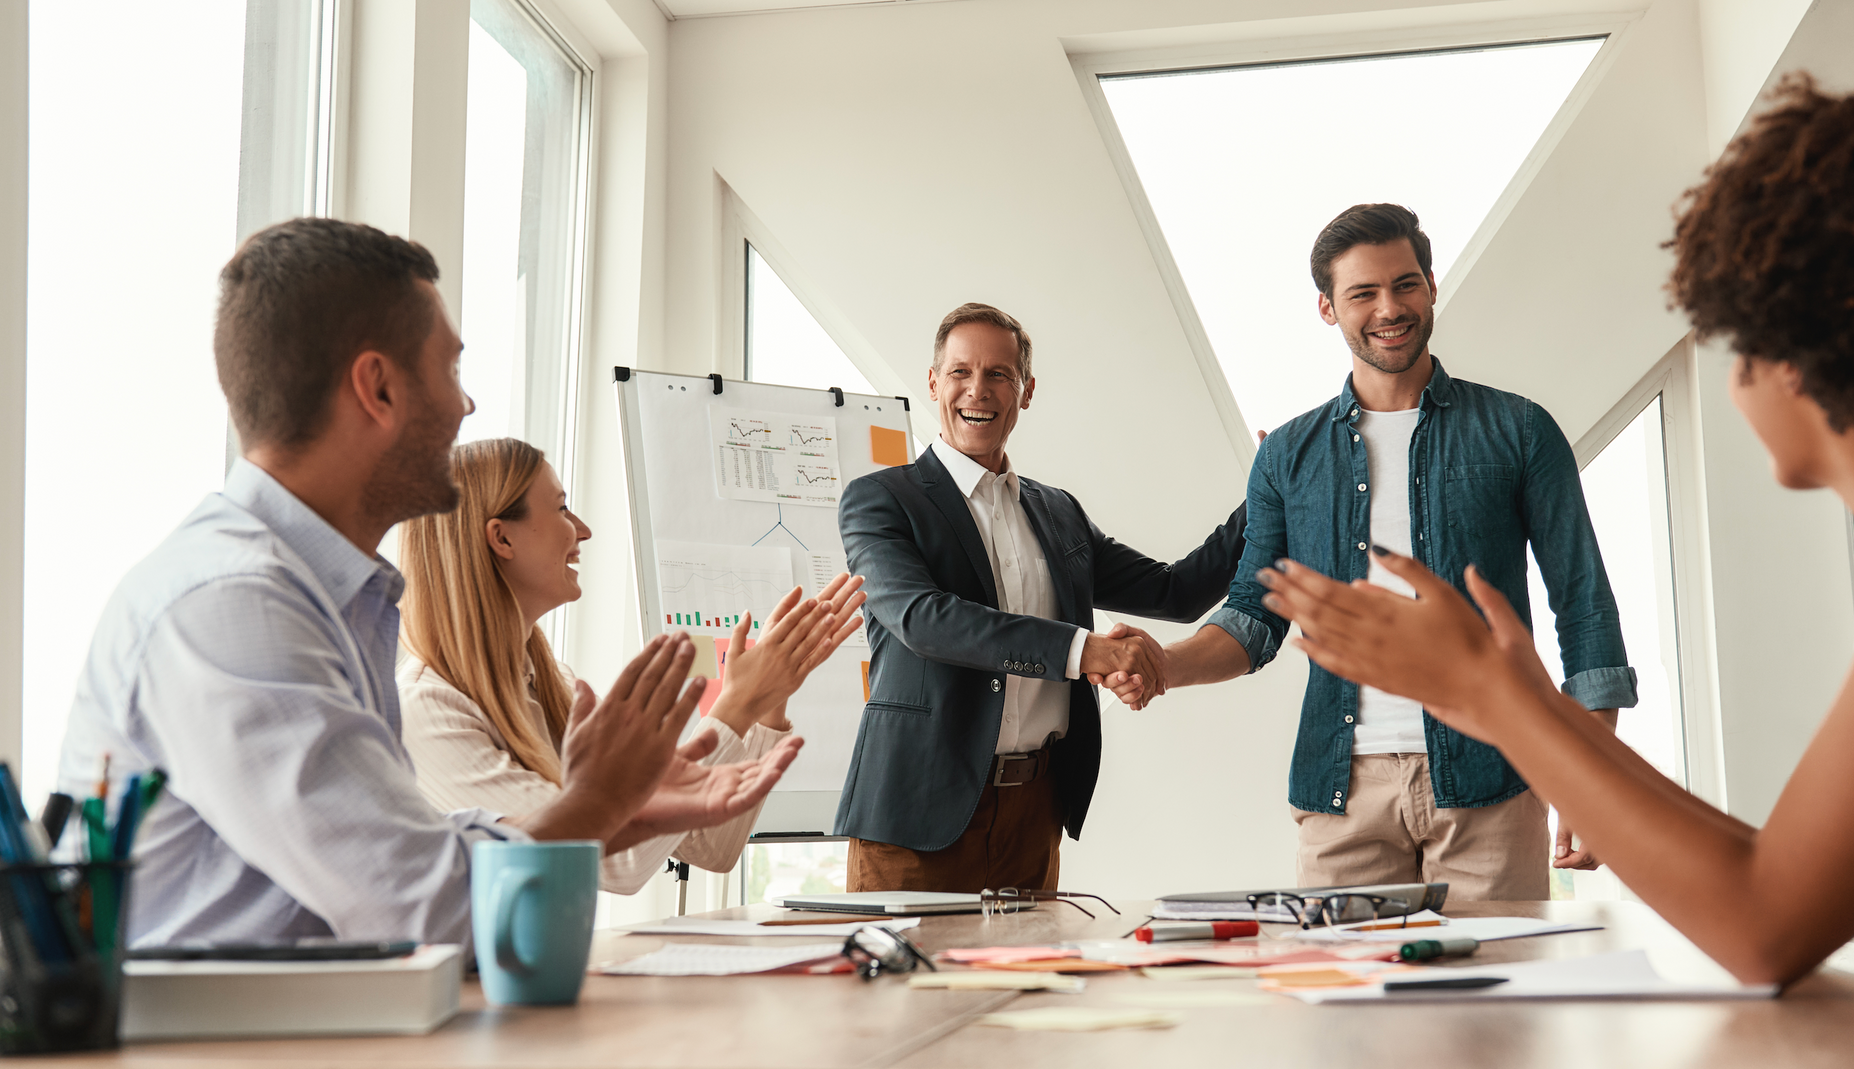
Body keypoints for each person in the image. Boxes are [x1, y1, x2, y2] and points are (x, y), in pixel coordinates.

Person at [1258, 69, 1854, 983]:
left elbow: (1767, 924)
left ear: (1807, 352)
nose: (1733, 380)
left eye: (1738, 341)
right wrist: (1534, 718)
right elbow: (1776, 870)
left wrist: (1496, 698)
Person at [54, 218, 799, 947]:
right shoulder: (234, 604)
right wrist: (596, 805)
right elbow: (417, 905)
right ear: (376, 388)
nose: (464, 405)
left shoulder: (324, 595)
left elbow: (410, 852)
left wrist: (612, 812)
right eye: (449, 369)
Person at [1107, 204, 1637, 900]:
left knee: (1496, 1008)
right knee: (1345, 1005)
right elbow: (1253, 618)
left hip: (1493, 781)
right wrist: (1166, 666)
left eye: (1405, 284)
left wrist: (1590, 782)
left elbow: (1584, 604)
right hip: (1342, 791)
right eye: (1363, 293)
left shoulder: (1519, 431)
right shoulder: (1286, 457)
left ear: (1432, 286)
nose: (1390, 307)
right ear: (1328, 308)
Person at [835, 302, 1247, 892]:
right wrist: (1088, 652)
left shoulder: (1058, 512)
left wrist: (1267, 495)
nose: (977, 390)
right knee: (902, 987)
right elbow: (924, 620)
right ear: (933, 383)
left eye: (998, 374)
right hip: (916, 812)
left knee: (1028, 983)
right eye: (960, 372)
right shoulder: (880, 500)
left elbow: (1176, 591)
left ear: (1025, 391)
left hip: (1034, 811)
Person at [395, 437, 864, 892]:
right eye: (560, 508)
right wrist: (736, 705)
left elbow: (710, 848)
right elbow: (614, 863)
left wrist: (767, 700)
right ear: (502, 538)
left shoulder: (551, 683)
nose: (582, 529)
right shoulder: (429, 709)